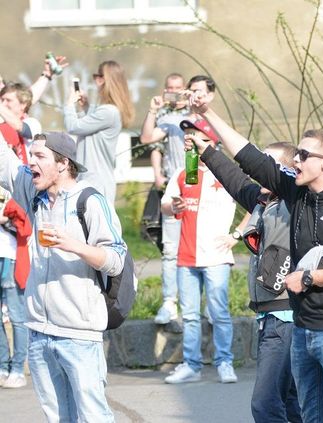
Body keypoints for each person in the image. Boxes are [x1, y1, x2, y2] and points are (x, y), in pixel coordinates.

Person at [188, 91, 323, 421]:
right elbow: (248, 162)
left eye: (304, 155)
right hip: (302, 325)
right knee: (306, 412)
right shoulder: (292, 194)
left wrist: (310, 277)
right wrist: (208, 118)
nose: (296, 161)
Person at [0, 131, 127, 421]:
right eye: (31, 155)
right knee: (57, 418)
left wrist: (75, 246)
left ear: (62, 163)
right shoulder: (35, 195)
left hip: (78, 335)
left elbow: (116, 259)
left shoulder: (90, 201)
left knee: (94, 416)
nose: (31, 162)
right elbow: (4, 161)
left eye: (39, 156)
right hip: (40, 333)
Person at [186, 134, 301, 421]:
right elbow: (236, 181)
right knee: (289, 402)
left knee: (266, 404)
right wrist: (207, 152)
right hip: (270, 316)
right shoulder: (265, 201)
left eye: (266, 163)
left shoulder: (293, 202)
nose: (256, 168)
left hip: (285, 317)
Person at [161, 119, 239, 384]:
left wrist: (236, 235)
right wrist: (176, 207)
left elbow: (256, 204)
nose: (190, 141)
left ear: (212, 142)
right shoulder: (183, 173)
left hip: (216, 256)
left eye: (196, 137)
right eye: (188, 137)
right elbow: (166, 206)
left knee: (219, 313)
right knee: (191, 316)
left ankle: (225, 363)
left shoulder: (227, 173)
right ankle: (191, 365)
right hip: (187, 256)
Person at [140, 72, 190, 325]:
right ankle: (169, 303)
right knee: (170, 250)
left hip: (199, 187)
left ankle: (194, 305)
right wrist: (151, 111)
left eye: (178, 88)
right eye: (169, 88)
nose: (174, 92)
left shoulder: (198, 115)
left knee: (198, 250)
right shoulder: (166, 117)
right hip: (174, 185)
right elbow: (148, 141)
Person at [64, 60, 135, 205]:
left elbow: (73, 126)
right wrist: (87, 106)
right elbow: (92, 126)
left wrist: (69, 104)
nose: (95, 80)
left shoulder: (108, 111)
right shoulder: (108, 110)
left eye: (98, 76)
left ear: (106, 80)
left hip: (95, 181)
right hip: (93, 179)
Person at [0, 188, 27, 388]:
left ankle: (17, 369)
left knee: (17, 317)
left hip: (10, 257)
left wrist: (5, 220)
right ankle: (2, 367)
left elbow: (27, 225)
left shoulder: (14, 185)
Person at [0, 82, 42, 164]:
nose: (3, 104)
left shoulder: (32, 123)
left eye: (8, 100)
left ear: (23, 104)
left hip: (22, 173)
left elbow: (21, 128)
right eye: (2, 100)